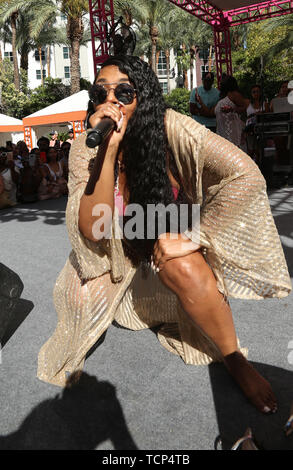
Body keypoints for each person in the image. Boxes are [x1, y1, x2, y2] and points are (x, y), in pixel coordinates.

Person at [37, 55, 291, 416]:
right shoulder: (85, 148)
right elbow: (93, 230)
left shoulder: (172, 128)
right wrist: (107, 153)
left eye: (123, 91)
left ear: (145, 97)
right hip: (116, 264)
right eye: (100, 93)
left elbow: (246, 177)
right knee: (79, 306)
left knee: (181, 260)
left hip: (166, 261)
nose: (111, 101)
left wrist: (196, 236)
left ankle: (234, 359)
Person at [215, 75, 249, 148]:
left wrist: (232, 109)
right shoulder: (221, 96)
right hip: (222, 131)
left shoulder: (234, 94)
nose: (220, 82)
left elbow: (245, 106)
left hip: (231, 131)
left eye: (222, 81)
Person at [245, 84, 270, 161]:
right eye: (254, 92)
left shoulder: (264, 104)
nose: (256, 94)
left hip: (261, 128)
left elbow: (268, 115)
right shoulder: (247, 104)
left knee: (260, 149)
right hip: (249, 129)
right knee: (251, 150)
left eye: (258, 91)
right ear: (251, 94)